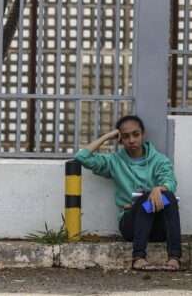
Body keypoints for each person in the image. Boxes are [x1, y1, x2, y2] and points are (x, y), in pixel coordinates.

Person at [74, 115, 181, 271]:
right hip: (130, 225)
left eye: (135, 134)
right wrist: (107, 136)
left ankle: (174, 258)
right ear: (120, 140)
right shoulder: (114, 161)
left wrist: (159, 188)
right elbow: (81, 157)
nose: (131, 140)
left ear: (142, 134)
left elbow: (170, 182)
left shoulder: (159, 160)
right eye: (125, 136)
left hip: (158, 227)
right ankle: (138, 258)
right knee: (144, 199)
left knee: (169, 197)